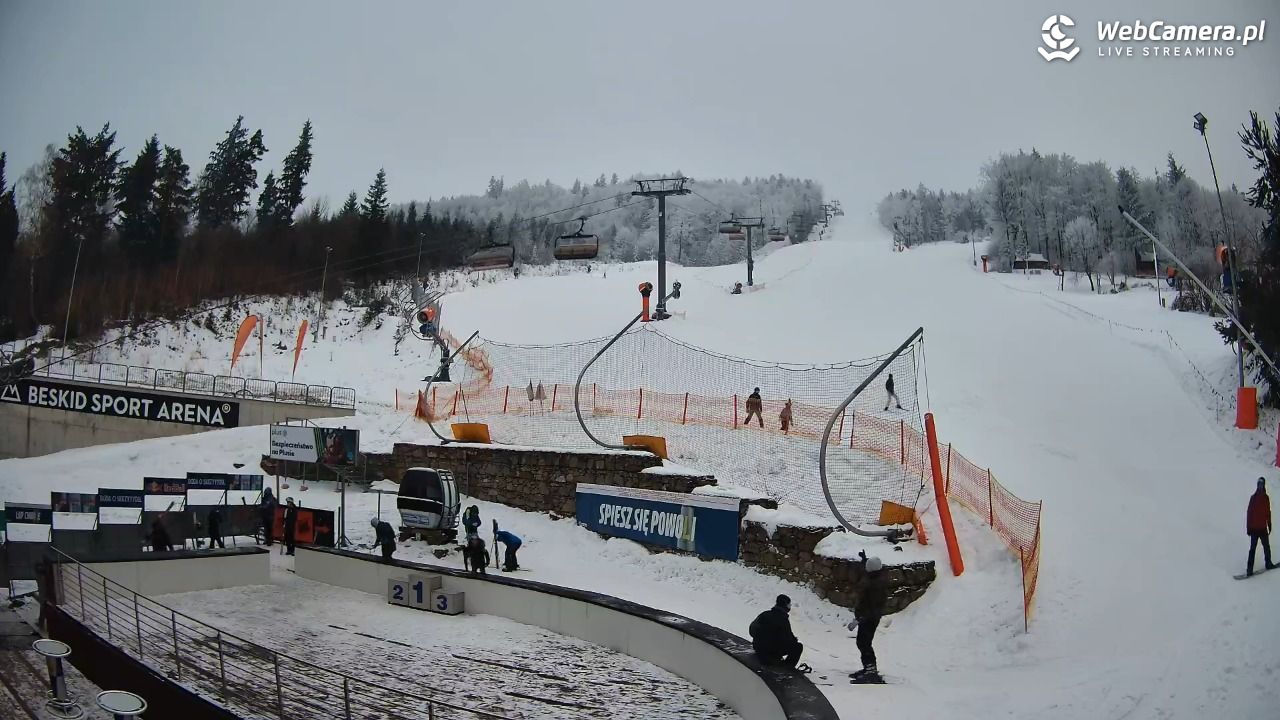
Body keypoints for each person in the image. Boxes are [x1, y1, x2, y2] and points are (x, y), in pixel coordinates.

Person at [849, 552, 889, 678]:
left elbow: (871, 605)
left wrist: (861, 617)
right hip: (867, 616)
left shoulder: (875, 585)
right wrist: (864, 560)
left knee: (864, 642)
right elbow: (867, 572)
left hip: (870, 618)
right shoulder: (874, 577)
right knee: (862, 642)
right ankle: (868, 668)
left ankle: (871, 669)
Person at [749, 594, 803, 668]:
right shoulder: (783, 620)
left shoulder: (764, 614)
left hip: (758, 648)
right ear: (785, 605)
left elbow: (752, 630)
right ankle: (787, 668)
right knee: (798, 647)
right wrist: (794, 640)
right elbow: (788, 638)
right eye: (789, 605)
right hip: (771, 653)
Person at [1246, 477, 1274, 577]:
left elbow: (1268, 512)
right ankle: (1249, 569)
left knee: (1266, 547)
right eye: (1259, 484)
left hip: (1262, 528)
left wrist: (1269, 524)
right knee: (1252, 549)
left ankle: (1268, 563)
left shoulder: (1266, 498)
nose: (1260, 486)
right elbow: (1249, 513)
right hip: (1254, 529)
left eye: (1262, 485)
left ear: (1264, 485)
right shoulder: (1253, 498)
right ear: (1257, 485)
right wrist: (1248, 528)